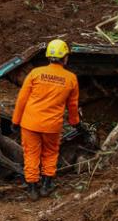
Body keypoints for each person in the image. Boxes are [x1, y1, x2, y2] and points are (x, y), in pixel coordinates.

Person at [12, 39, 80, 201]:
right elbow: (72, 105)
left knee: (31, 154)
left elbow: (21, 99)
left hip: (30, 123)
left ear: (48, 56)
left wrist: (15, 121)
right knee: (50, 153)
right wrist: (75, 123)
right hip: (52, 126)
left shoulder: (36, 73)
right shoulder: (71, 78)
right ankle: (46, 185)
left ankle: (32, 189)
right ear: (64, 57)